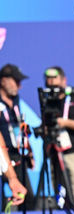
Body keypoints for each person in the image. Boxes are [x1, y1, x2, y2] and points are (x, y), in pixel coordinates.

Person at [42, 65, 74, 212]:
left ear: (64, 80)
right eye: (48, 79)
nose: (51, 82)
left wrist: (66, 123)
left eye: (55, 78)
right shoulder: (48, 101)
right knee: (61, 200)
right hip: (55, 154)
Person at [0, 63, 34, 206]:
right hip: (3, 156)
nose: (19, 86)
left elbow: (20, 127)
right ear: (3, 81)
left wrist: (30, 152)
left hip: (17, 155)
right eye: (16, 81)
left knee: (28, 199)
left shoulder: (15, 100)